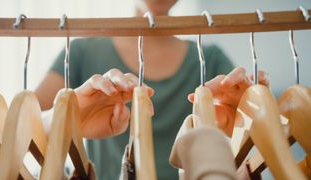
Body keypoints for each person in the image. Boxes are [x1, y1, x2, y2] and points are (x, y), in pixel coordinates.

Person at [35, 0, 269, 179]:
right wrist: (66, 116)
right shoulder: (81, 52)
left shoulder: (210, 58)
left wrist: (256, 114)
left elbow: (266, 132)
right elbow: (21, 123)